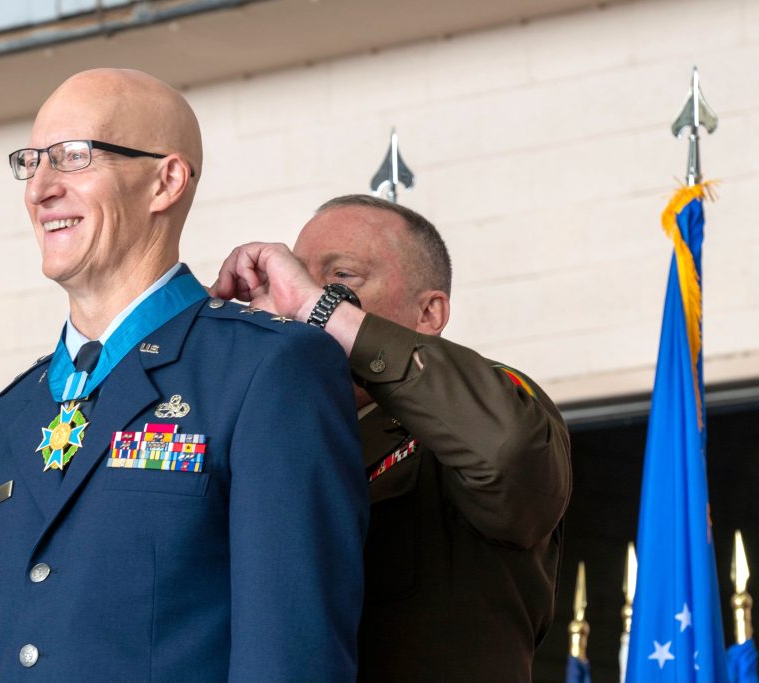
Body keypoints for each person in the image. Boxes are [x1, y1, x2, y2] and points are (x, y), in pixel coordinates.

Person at [0, 70, 368, 683]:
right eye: (32, 162)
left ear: (165, 181)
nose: (40, 190)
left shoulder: (267, 370)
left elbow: (291, 658)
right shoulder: (5, 418)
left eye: (74, 157)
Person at [211, 194, 573, 683]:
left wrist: (320, 309)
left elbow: (508, 454)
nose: (294, 293)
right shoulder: (267, 433)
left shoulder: (482, 407)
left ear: (429, 314)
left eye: (341, 276)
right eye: (292, 276)